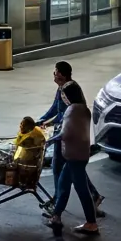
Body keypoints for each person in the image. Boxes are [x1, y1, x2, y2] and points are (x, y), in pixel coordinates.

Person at [37, 61, 104, 217]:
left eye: (55, 72)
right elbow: (55, 109)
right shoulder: (62, 88)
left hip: (67, 135)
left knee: (64, 168)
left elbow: (66, 114)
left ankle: (58, 205)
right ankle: (87, 199)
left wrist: (48, 127)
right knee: (71, 169)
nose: (54, 75)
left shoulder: (69, 89)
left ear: (61, 74)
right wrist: (41, 121)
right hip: (68, 134)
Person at [48, 83, 99, 236]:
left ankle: (91, 223)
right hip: (80, 154)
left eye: (64, 95)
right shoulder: (84, 109)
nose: (62, 97)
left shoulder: (72, 110)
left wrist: (51, 140)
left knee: (81, 190)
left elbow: (66, 133)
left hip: (74, 156)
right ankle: (56, 216)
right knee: (63, 184)